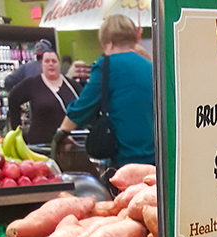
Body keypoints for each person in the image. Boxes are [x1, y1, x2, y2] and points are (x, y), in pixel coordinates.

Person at [54, 15, 155, 168]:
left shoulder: (108, 65)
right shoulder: (150, 66)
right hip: (154, 156)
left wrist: (62, 132)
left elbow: (84, 105)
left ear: (108, 43)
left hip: (125, 158)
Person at [8, 50, 79, 145]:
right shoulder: (32, 83)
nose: (51, 64)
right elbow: (13, 98)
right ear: (42, 65)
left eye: (54, 61)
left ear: (59, 64)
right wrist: (17, 129)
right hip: (41, 145)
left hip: (72, 144)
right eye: (47, 61)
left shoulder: (73, 85)